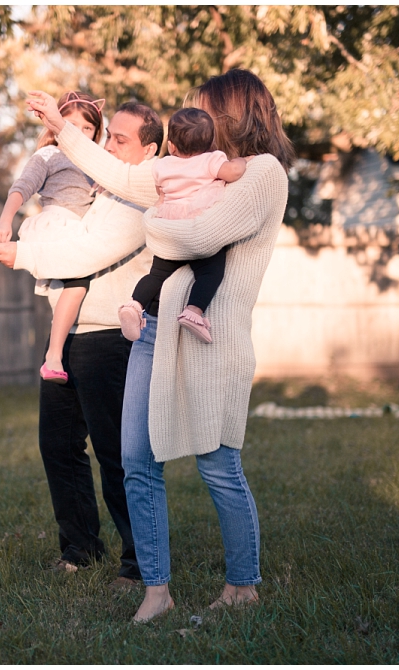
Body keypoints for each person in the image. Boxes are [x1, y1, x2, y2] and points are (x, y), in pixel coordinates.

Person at [26, 68, 294, 623]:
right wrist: (63, 128)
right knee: (135, 460)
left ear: (233, 113)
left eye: (202, 110)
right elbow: (119, 174)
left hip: (213, 339)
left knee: (218, 466)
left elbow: (198, 237)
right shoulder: (181, 173)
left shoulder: (262, 175)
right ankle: (156, 590)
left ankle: (242, 587)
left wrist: (155, 221)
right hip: (152, 329)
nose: (188, 122)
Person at [0, 100, 166, 585]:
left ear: (149, 150)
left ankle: (140, 563)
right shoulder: (102, 182)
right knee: (59, 445)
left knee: (117, 453)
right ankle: (81, 547)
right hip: (68, 333)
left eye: (119, 140)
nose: (106, 146)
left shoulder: (142, 192)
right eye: (109, 137)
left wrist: (23, 252)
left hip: (110, 336)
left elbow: (87, 250)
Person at [0, 91, 105, 383]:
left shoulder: (97, 161)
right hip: (58, 223)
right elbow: (22, 187)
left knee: (74, 289)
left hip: (81, 229)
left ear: (96, 133)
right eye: (71, 124)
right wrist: (5, 220)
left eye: (87, 128)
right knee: (77, 281)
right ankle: (53, 356)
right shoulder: (49, 154)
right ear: (56, 124)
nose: (78, 133)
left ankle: (60, 350)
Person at [118, 107, 248, 344]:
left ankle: (134, 305)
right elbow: (234, 172)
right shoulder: (211, 160)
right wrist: (240, 160)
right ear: (211, 143)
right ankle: (194, 312)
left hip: (170, 228)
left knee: (156, 274)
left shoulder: (163, 165)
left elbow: (161, 191)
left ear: (172, 146)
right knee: (211, 272)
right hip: (196, 228)